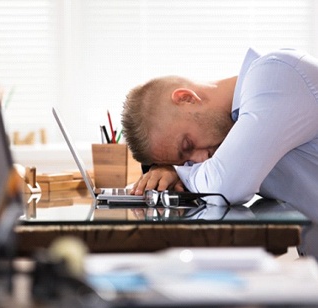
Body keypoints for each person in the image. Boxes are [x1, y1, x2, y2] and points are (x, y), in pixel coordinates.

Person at [121, 48, 318, 223]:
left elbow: (224, 187)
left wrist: (178, 172)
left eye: (188, 145)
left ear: (186, 98)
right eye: (186, 162)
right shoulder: (237, 125)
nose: (201, 159)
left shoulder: (274, 76)